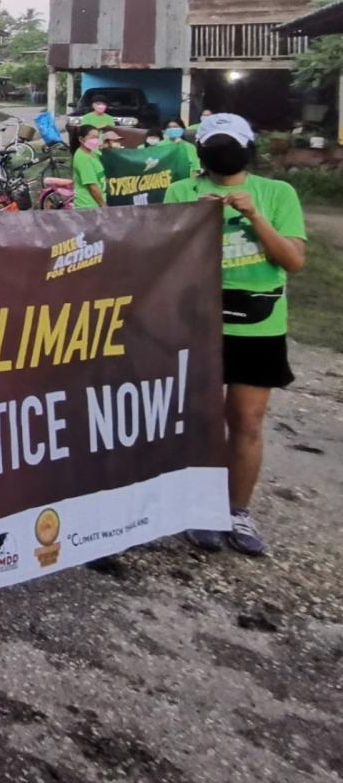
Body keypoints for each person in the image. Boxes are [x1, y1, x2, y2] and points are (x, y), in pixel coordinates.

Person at [165, 114, 306, 556]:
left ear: (247, 149)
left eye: (229, 143)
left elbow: (293, 260)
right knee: (196, 420)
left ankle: (236, 510)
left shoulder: (276, 193)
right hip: (194, 323)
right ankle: (195, 507)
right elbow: (159, 257)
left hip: (257, 326)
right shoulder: (180, 192)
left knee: (245, 421)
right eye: (214, 144)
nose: (221, 152)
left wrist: (254, 216)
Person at [71, 124, 106, 209]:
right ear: (81, 139)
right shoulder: (82, 158)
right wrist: (103, 205)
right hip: (89, 206)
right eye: (93, 137)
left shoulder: (94, 152)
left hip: (98, 202)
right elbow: (92, 186)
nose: (96, 140)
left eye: (97, 137)